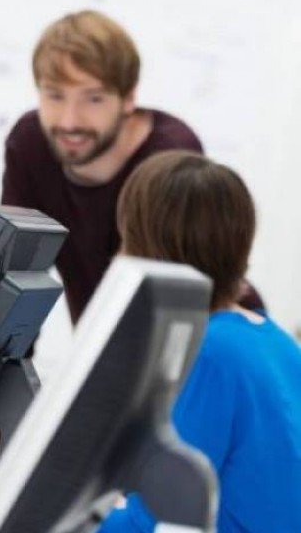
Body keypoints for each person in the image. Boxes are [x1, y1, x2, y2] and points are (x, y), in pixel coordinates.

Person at [96, 151, 301, 532]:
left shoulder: (208, 354)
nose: (118, 257)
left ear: (151, 253)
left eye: (126, 240)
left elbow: (155, 521)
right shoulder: (273, 339)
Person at [0, 9, 212, 324]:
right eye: (55, 96)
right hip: (107, 340)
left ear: (129, 98)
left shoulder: (170, 157)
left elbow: (159, 303)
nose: (69, 121)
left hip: (200, 338)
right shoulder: (30, 143)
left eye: (94, 99)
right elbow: (12, 279)